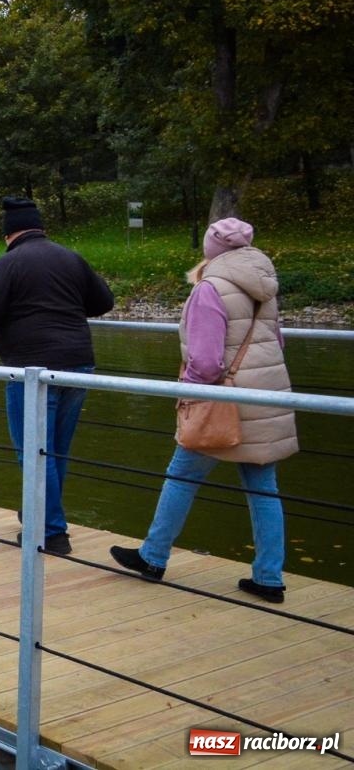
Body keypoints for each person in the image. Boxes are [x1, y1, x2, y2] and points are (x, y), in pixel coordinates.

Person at [109, 218, 297, 602]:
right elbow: (276, 342)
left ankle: (153, 556)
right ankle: (269, 578)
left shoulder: (209, 289)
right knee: (264, 489)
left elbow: (207, 363)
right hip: (268, 399)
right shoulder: (265, 285)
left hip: (223, 403)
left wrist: (187, 393)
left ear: (211, 250)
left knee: (181, 474)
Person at [0, 195, 115, 556]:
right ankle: (39, 514)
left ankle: (50, 532)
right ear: (40, 228)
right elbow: (104, 302)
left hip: (33, 370)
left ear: (8, 234)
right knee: (56, 451)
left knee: (33, 453)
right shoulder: (69, 257)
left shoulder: (10, 263)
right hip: (79, 365)